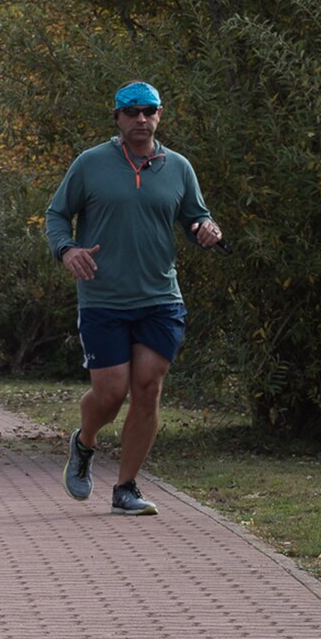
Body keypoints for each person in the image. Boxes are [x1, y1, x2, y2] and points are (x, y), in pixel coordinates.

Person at [44, 80, 222, 516]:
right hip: (103, 298)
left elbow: (196, 216)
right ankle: (84, 443)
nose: (141, 119)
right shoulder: (91, 164)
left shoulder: (178, 167)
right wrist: (67, 250)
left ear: (159, 115)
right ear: (118, 119)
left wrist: (207, 230)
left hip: (160, 297)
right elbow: (56, 215)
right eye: (132, 112)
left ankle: (125, 487)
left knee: (147, 387)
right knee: (110, 394)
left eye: (150, 111)